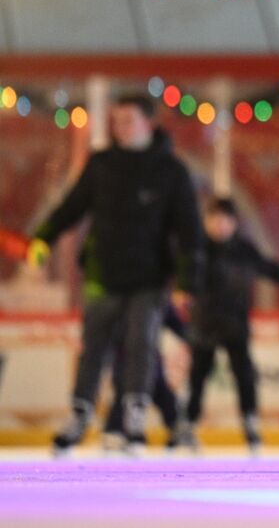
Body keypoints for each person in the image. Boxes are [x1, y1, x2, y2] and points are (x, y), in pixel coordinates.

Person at [28, 93, 203, 457]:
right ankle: (79, 416)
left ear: (148, 123)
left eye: (127, 120)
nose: (119, 128)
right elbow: (72, 206)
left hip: (150, 278)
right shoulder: (102, 164)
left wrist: (188, 281)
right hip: (103, 273)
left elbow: (189, 231)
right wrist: (43, 237)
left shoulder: (170, 171)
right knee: (94, 348)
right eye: (116, 121)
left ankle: (134, 420)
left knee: (142, 346)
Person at [185, 197, 279, 456]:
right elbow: (178, 276)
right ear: (206, 222)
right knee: (198, 377)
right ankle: (188, 427)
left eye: (224, 220)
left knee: (245, 377)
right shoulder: (197, 249)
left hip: (236, 325)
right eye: (214, 219)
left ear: (234, 222)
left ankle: (250, 426)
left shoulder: (243, 250)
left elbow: (268, 267)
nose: (219, 225)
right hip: (204, 324)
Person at [100, 298, 188, 454]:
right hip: (124, 357)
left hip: (149, 358)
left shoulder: (155, 295)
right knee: (124, 391)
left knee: (159, 392)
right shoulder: (119, 297)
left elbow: (176, 323)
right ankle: (116, 433)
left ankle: (177, 428)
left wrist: (191, 336)